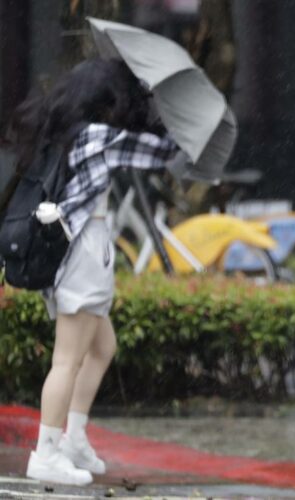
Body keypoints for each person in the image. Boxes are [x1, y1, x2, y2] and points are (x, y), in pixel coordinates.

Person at [6, 58, 179, 485]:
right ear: (108, 101)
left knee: (102, 348)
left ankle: (74, 439)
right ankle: (46, 453)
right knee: (67, 360)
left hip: (77, 250)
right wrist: (172, 117)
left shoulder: (63, 132)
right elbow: (164, 153)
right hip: (81, 253)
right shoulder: (97, 137)